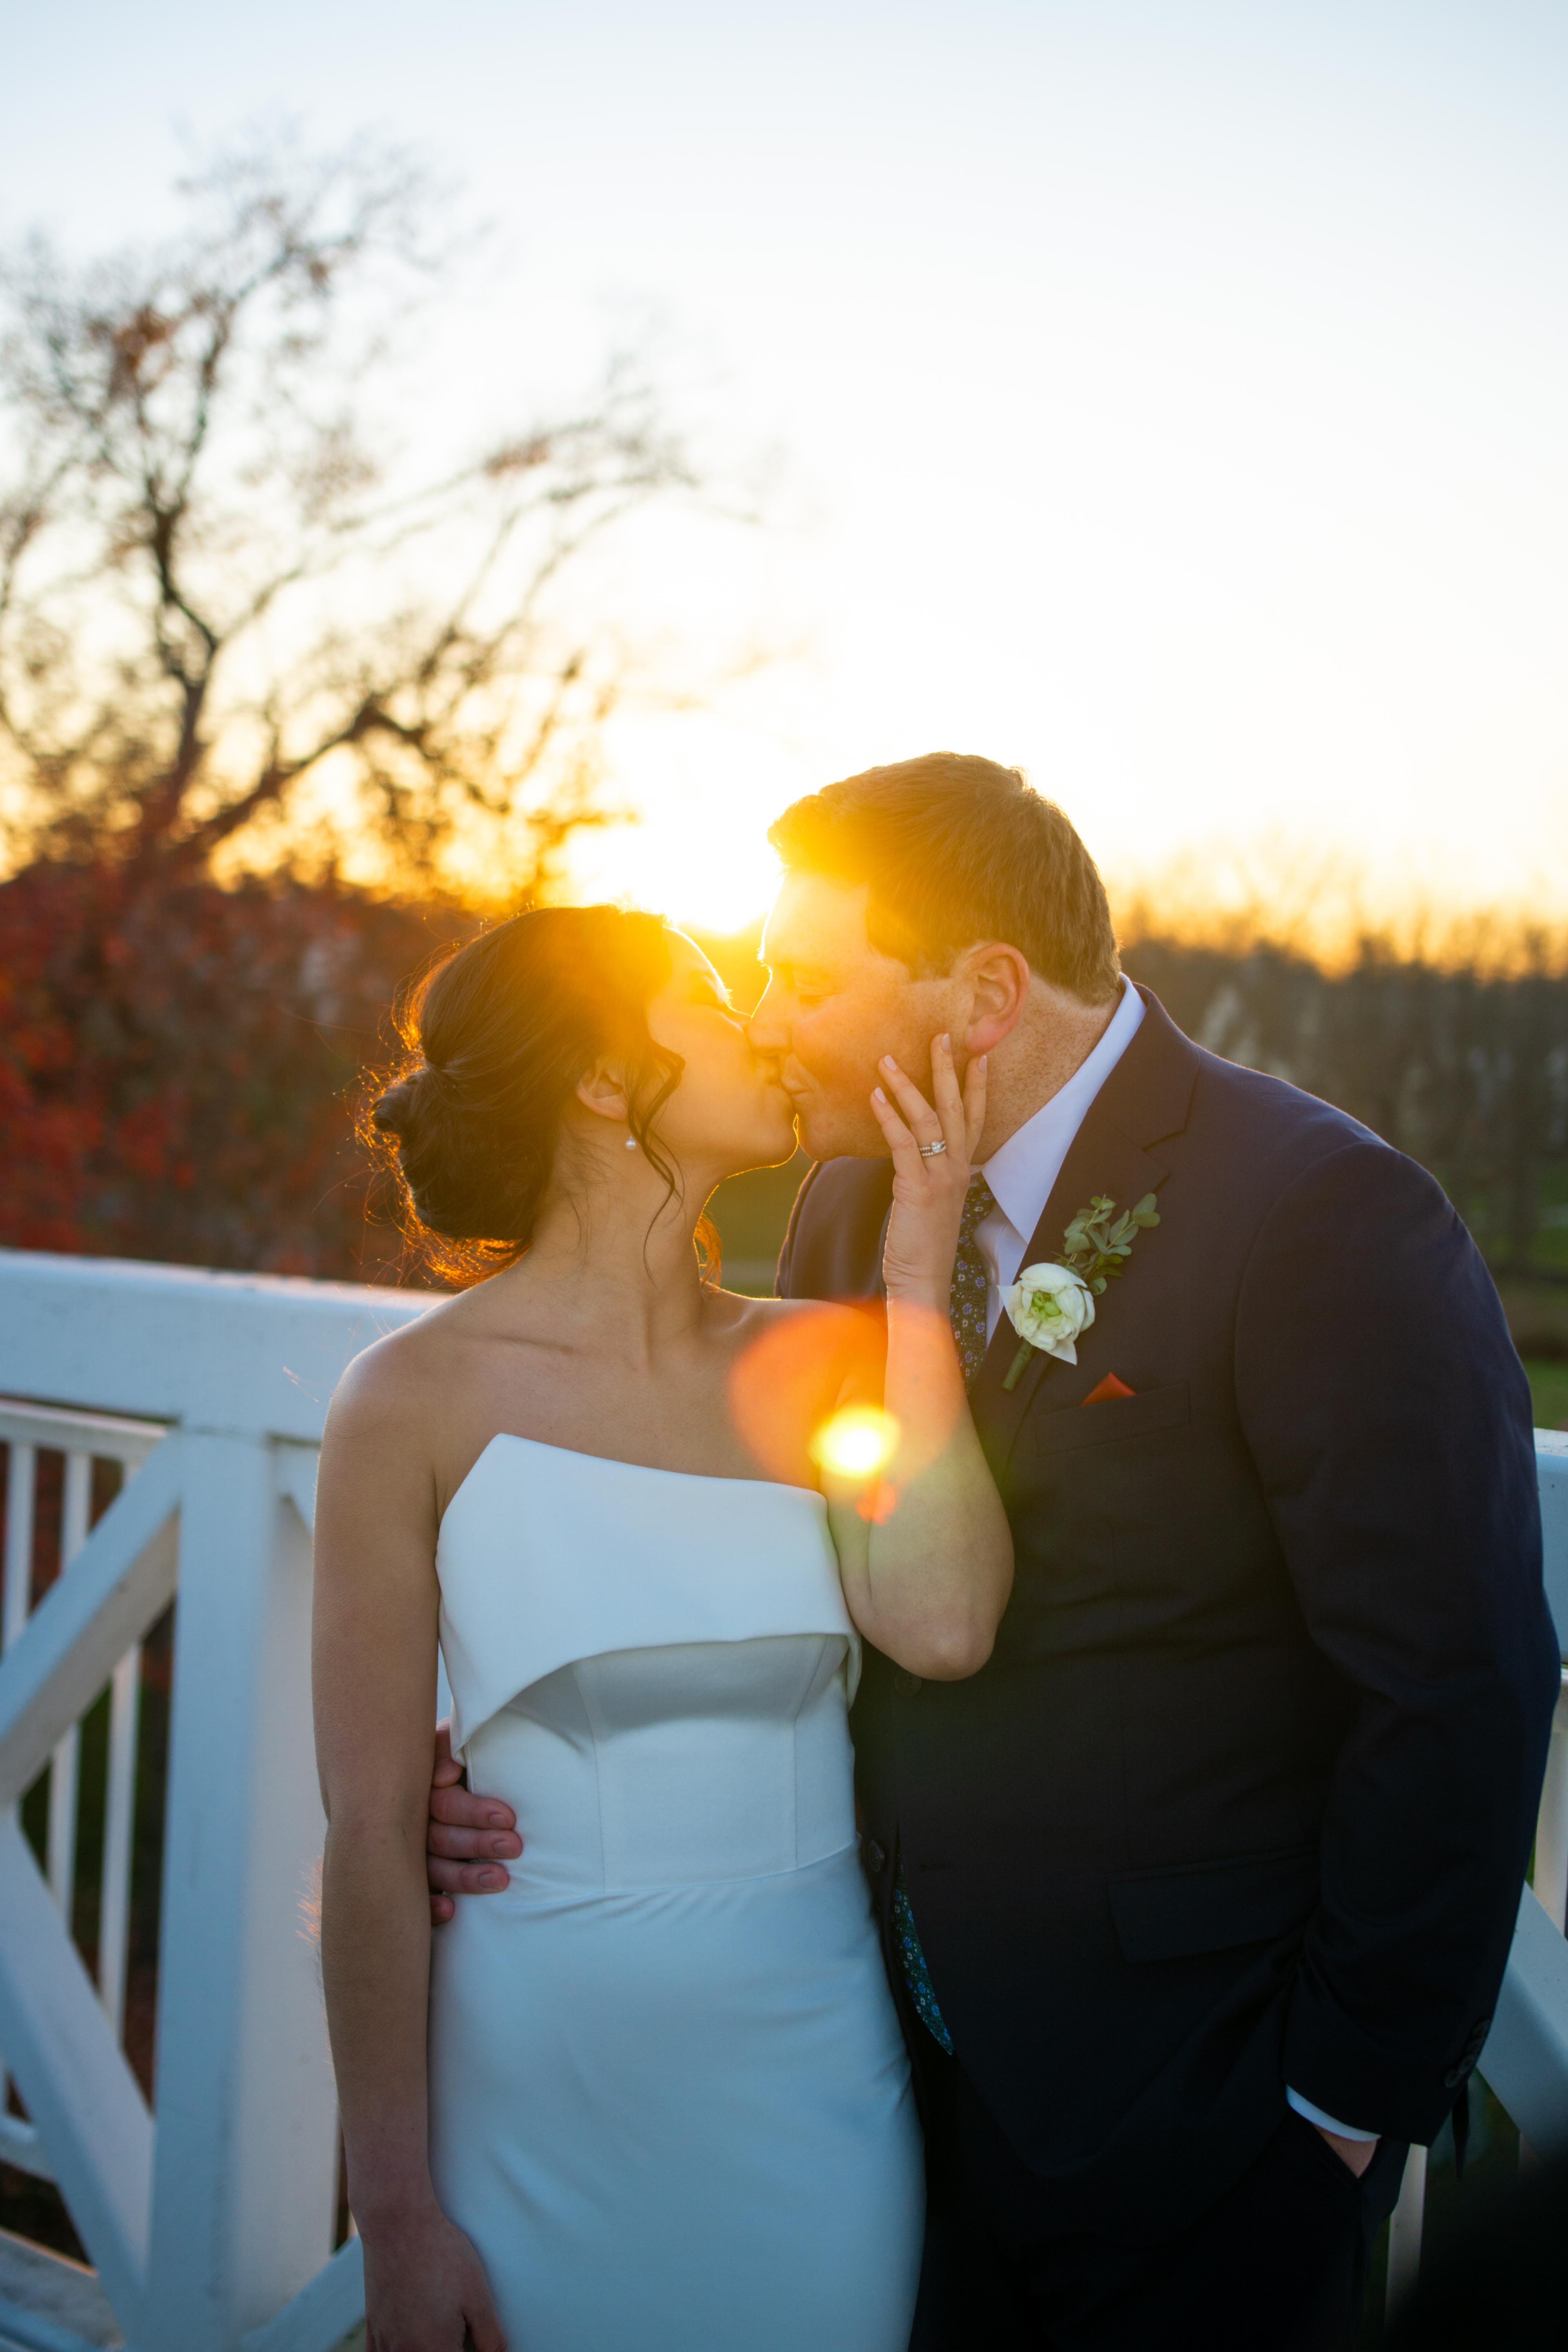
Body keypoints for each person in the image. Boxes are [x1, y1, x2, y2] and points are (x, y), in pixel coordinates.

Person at [427, 756, 1560, 2351]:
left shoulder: (1319, 1217)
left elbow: (1454, 1687)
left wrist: (1338, 2110)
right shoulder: (841, 1217)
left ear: (982, 991)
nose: (766, 1015)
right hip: (875, 2089)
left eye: (804, 977)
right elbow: (805, 1558)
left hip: (1202, 2116)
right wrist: (505, 1752)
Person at [312, 902, 1014, 2352]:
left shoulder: (823, 1366)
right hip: (533, 2083)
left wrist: (916, 1270)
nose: (756, 1017)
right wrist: (396, 2221)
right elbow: (373, 1834)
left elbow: (944, 1623)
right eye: (704, 993)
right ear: (602, 1076)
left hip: (814, 2085)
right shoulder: (405, 1405)